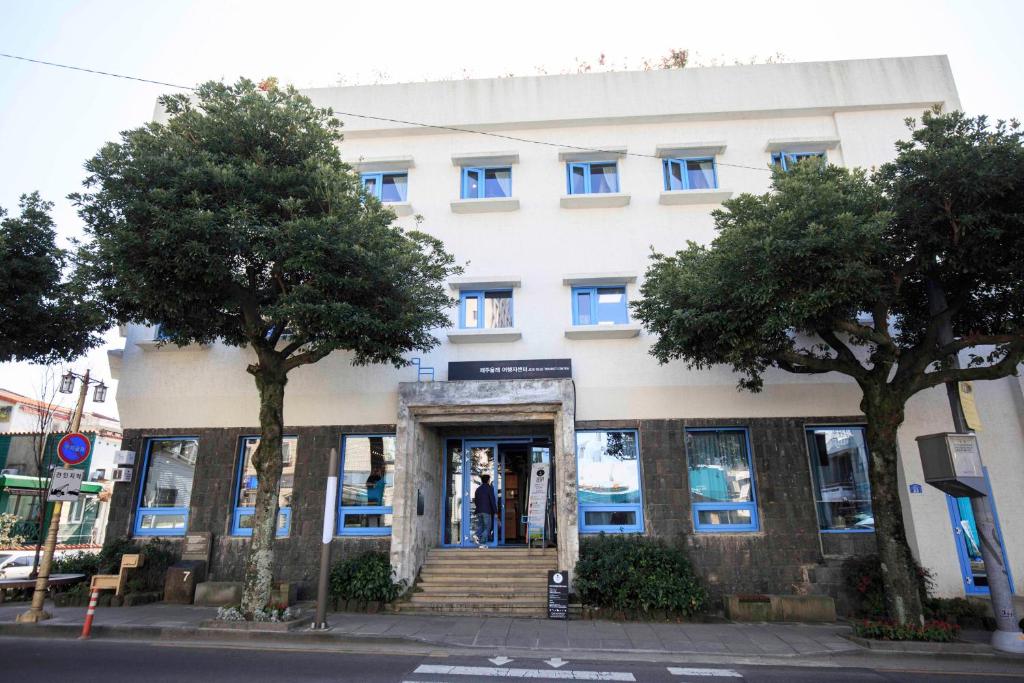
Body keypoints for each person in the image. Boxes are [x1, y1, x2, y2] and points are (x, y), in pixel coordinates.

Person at [473, 474, 498, 548]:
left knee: (481, 526)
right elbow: (492, 500)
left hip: (478, 511)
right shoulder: (489, 488)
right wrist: (495, 512)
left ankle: (476, 535)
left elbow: (476, 501)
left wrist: (478, 508)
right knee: (487, 527)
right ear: (488, 480)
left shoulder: (478, 489)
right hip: (487, 511)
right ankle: (482, 543)